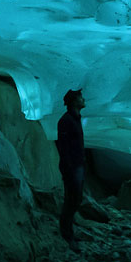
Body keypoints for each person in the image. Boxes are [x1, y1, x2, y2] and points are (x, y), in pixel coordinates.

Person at [56, 88, 86, 251]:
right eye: (81, 97)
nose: (83, 99)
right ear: (74, 101)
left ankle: (69, 231)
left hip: (77, 165)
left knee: (75, 199)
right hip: (72, 167)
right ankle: (67, 235)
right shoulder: (66, 121)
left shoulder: (75, 119)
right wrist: (68, 167)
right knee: (71, 199)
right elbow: (63, 146)